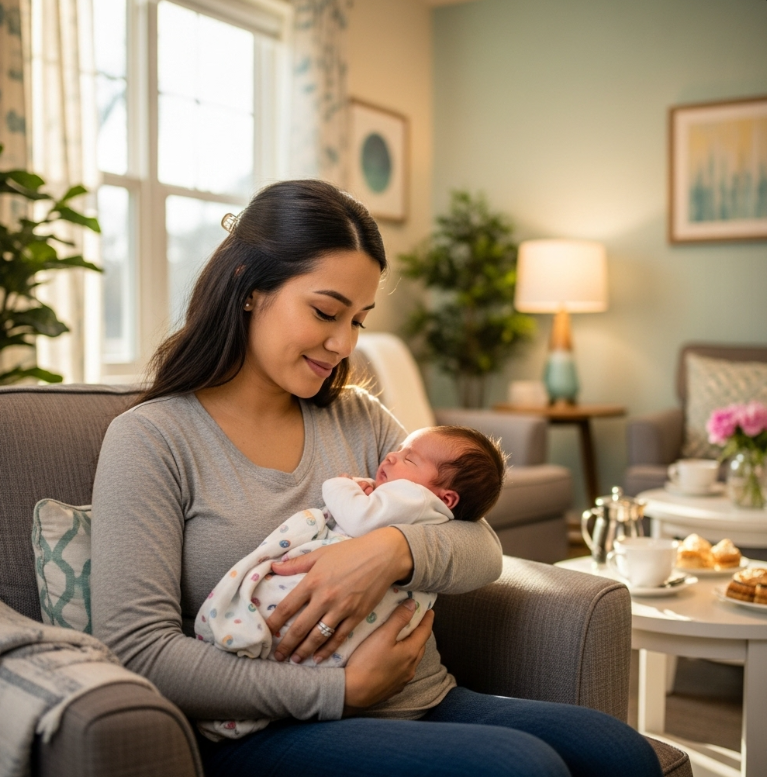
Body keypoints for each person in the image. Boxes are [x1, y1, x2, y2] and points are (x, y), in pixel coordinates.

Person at [91, 179, 663, 777]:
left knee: (619, 752)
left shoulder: (358, 418)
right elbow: (139, 649)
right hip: (264, 730)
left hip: (419, 698)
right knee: (521, 767)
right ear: (248, 289)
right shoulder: (153, 439)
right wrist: (341, 690)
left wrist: (388, 551)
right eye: (325, 312)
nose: (345, 344)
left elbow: (481, 547)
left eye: (359, 321)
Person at [195, 425, 506, 740]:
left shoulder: (376, 440)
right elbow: (147, 653)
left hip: (422, 695)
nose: (391, 456)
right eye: (400, 451)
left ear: (447, 498)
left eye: (408, 459)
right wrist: (347, 689)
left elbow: (488, 550)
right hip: (306, 717)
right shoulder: (160, 434)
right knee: (523, 761)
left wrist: (358, 508)